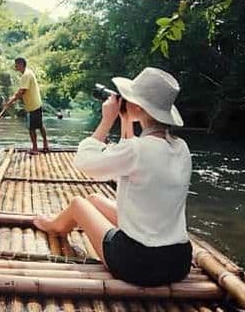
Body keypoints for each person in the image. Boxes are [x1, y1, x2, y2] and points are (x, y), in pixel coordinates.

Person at [33, 67, 191, 287]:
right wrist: (126, 120)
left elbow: (84, 162)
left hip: (138, 263)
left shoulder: (138, 151)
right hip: (178, 262)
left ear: (136, 106)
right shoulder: (181, 148)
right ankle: (60, 221)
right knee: (94, 199)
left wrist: (107, 120)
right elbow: (134, 160)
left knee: (79, 203)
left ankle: (54, 226)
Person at [5, 57, 49, 154]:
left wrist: (11, 101)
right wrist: (12, 99)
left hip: (33, 105)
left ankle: (35, 149)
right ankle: (45, 145)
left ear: (21, 64)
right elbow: (21, 90)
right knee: (40, 125)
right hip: (35, 104)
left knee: (32, 128)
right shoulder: (28, 73)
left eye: (16, 64)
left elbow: (22, 91)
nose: (15, 66)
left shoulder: (26, 75)